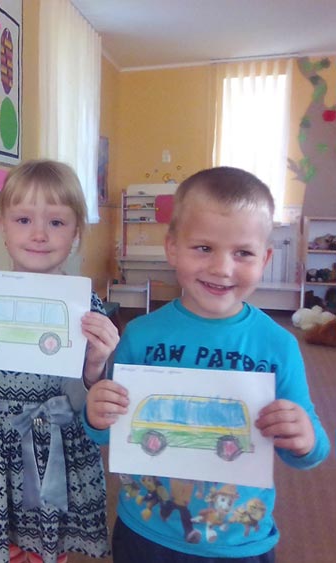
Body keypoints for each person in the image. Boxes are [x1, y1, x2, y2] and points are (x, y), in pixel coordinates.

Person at [86, 166, 331, 562]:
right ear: (172, 248)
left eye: (243, 253)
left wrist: (304, 438)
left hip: (239, 541)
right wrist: (96, 415)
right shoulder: (140, 335)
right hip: (145, 530)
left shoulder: (278, 346)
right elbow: (107, 431)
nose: (222, 268)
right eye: (203, 248)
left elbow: (311, 448)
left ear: (265, 258)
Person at [0, 159, 118, 563]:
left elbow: (82, 403)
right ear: (2, 226)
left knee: (50, 546)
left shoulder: (85, 309)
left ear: (76, 232)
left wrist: (94, 366)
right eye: (24, 220)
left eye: (57, 223)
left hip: (58, 446)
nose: (39, 234)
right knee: (5, 545)